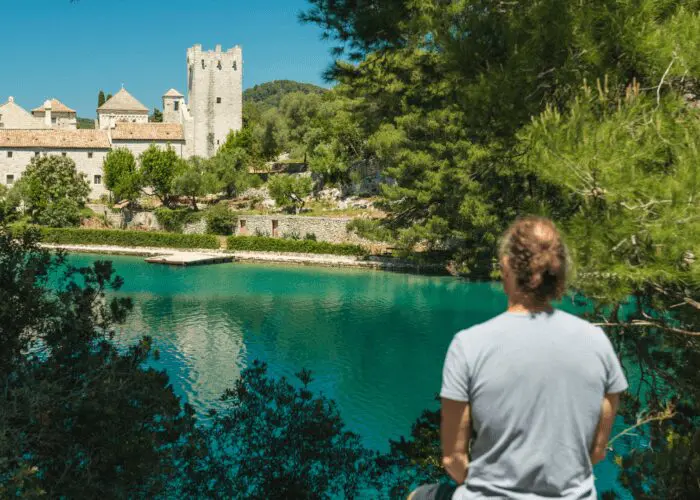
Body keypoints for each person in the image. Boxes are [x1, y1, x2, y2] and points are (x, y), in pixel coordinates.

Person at [409, 216, 628, 500]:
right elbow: (597, 451)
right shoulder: (597, 342)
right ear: (560, 273)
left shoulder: (470, 345)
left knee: (419, 496)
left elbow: (453, 459)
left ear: (505, 266)